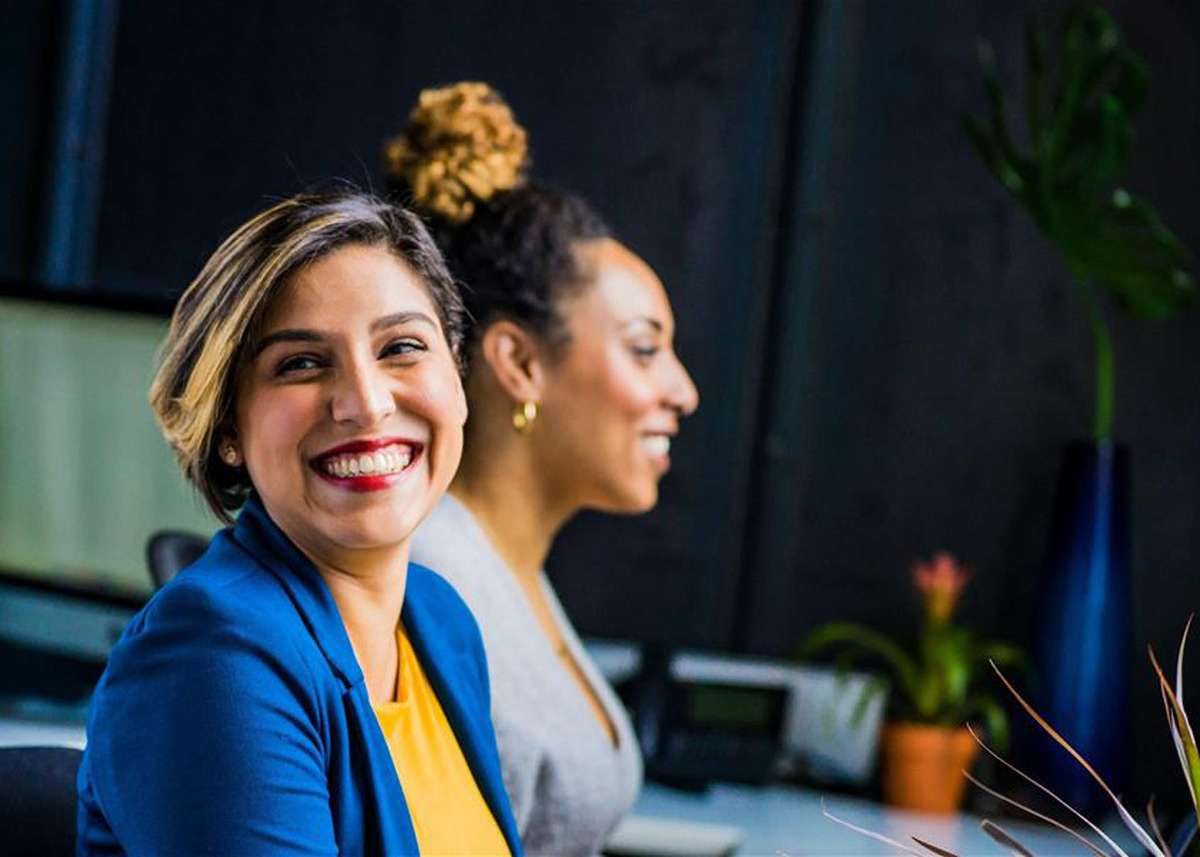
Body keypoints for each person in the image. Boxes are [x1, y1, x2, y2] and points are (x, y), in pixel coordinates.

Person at [76, 189, 522, 855]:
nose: (366, 403)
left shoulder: (441, 621)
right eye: (302, 363)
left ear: (456, 378)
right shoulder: (211, 654)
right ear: (229, 425)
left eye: (401, 346)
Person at [386, 83, 700, 855]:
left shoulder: (508, 571)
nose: (682, 391)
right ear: (519, 362)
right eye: (643, 347)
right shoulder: (433, 588)